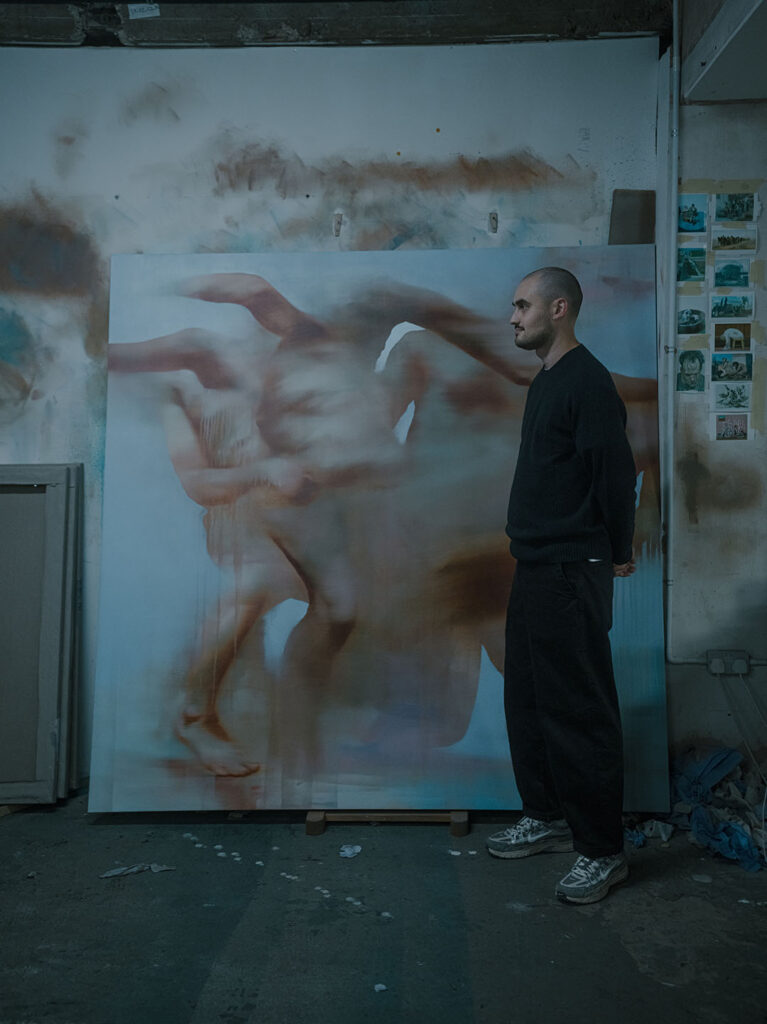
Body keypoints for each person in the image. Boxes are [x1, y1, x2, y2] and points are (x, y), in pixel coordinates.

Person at [485, 267, 637, 905]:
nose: (513, 317)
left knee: (578, 711)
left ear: (560, 307)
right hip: (535, 566)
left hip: (574, 568)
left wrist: (617, 553)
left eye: (522, 305)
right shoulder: (544, 382)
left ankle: (601, 851)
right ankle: (545, 816)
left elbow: (615, 473)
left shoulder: (589, 383)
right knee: (526, 700)